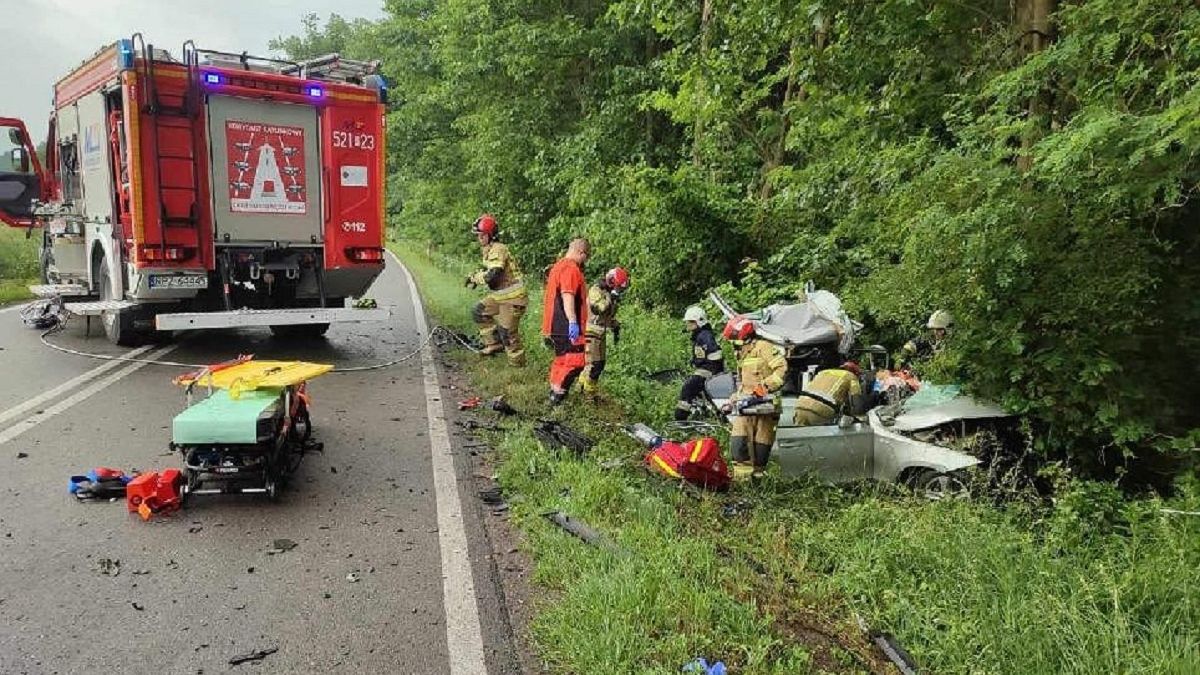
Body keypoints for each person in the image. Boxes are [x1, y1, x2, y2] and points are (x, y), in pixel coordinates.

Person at [723, 316, 787, 482]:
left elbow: (781, 370)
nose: (733, 345)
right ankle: (742, 484)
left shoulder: (764, 347)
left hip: (766, 407)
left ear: (744, 336)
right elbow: (744, 382)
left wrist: (761, 390)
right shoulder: (742, 354)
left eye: (734, 340)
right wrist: (734, 398)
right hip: (746, 407)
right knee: (739, 444)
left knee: (761, 449)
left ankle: (757, 484)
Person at [465, 214, 528, 367]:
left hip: (514, 298)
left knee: (508, 333)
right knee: (478, 311)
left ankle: (518, 365)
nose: (479, 239)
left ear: (490, 235)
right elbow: (489, 271)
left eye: (481, 235)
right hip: (500, 296)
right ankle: (494, 344)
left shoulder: (498, 249)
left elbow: (493, 275)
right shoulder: (489, 249)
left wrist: (476, 278)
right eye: (478, 236)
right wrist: (474, 277)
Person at [541, 238, 591, 405]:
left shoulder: (558, 266)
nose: (585, 261)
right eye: (586, 257)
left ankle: (553, 391)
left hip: (554, 324)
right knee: (576, 362)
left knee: (562, 360)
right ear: (581, 252)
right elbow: (567, 295)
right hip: (565, 325)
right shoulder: (571, 269)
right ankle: (558, 397)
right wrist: (572, 322)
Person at [582, 266, 630, 397]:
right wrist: (611, 297)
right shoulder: (596, 290)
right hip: (591, 330)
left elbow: (607, 316)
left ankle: (583, 388)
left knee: (598, 364)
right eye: (618, 288)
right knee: (595, 365)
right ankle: (588, 394)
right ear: (611, 281)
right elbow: (600, 309)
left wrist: (615, 325)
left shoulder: (609, 293)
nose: (619, 291)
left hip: (600, 332)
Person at [674, 305, 725, 421]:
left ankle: (680, 418)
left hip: (709, 371)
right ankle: (713, 416)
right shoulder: (700, 335)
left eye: (690, 322)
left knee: (688, 388)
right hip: (706, 369)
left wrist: (712, 370)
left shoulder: (705, 336)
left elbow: (716, 354)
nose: (687, 324)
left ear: (698, 321)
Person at [793, 361, 866, 426]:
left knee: (800, 434)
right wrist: (860, 417)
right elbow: (856, 400)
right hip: (821, 410)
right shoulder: (851, 376)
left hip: (800, 405)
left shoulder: (823, 372)